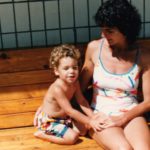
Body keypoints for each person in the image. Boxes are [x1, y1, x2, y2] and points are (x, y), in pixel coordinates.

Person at [80, 0, 150, 149]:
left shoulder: (143, 56)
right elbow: (77, 87)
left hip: (131, 114)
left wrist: (122, 118)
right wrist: (52, 103)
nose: (103, 34)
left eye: (109, 31)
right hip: (100, 115)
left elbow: (149, 101)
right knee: (123, 149)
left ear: (126, 30)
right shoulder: (94, 49)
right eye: (102, 29)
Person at [34, 44, 104, 145]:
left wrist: (92, 116)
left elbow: (82, 101)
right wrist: (90, 121)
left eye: (74, 67)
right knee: (73, 138)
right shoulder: (57, 88)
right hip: (50, 121)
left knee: (84, 130)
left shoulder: (75, 83)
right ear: (56, 71)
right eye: (66, 68)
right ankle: (42, 135)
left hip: (65, 118)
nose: (71, 71)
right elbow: (70, 111)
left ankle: (66, 129)